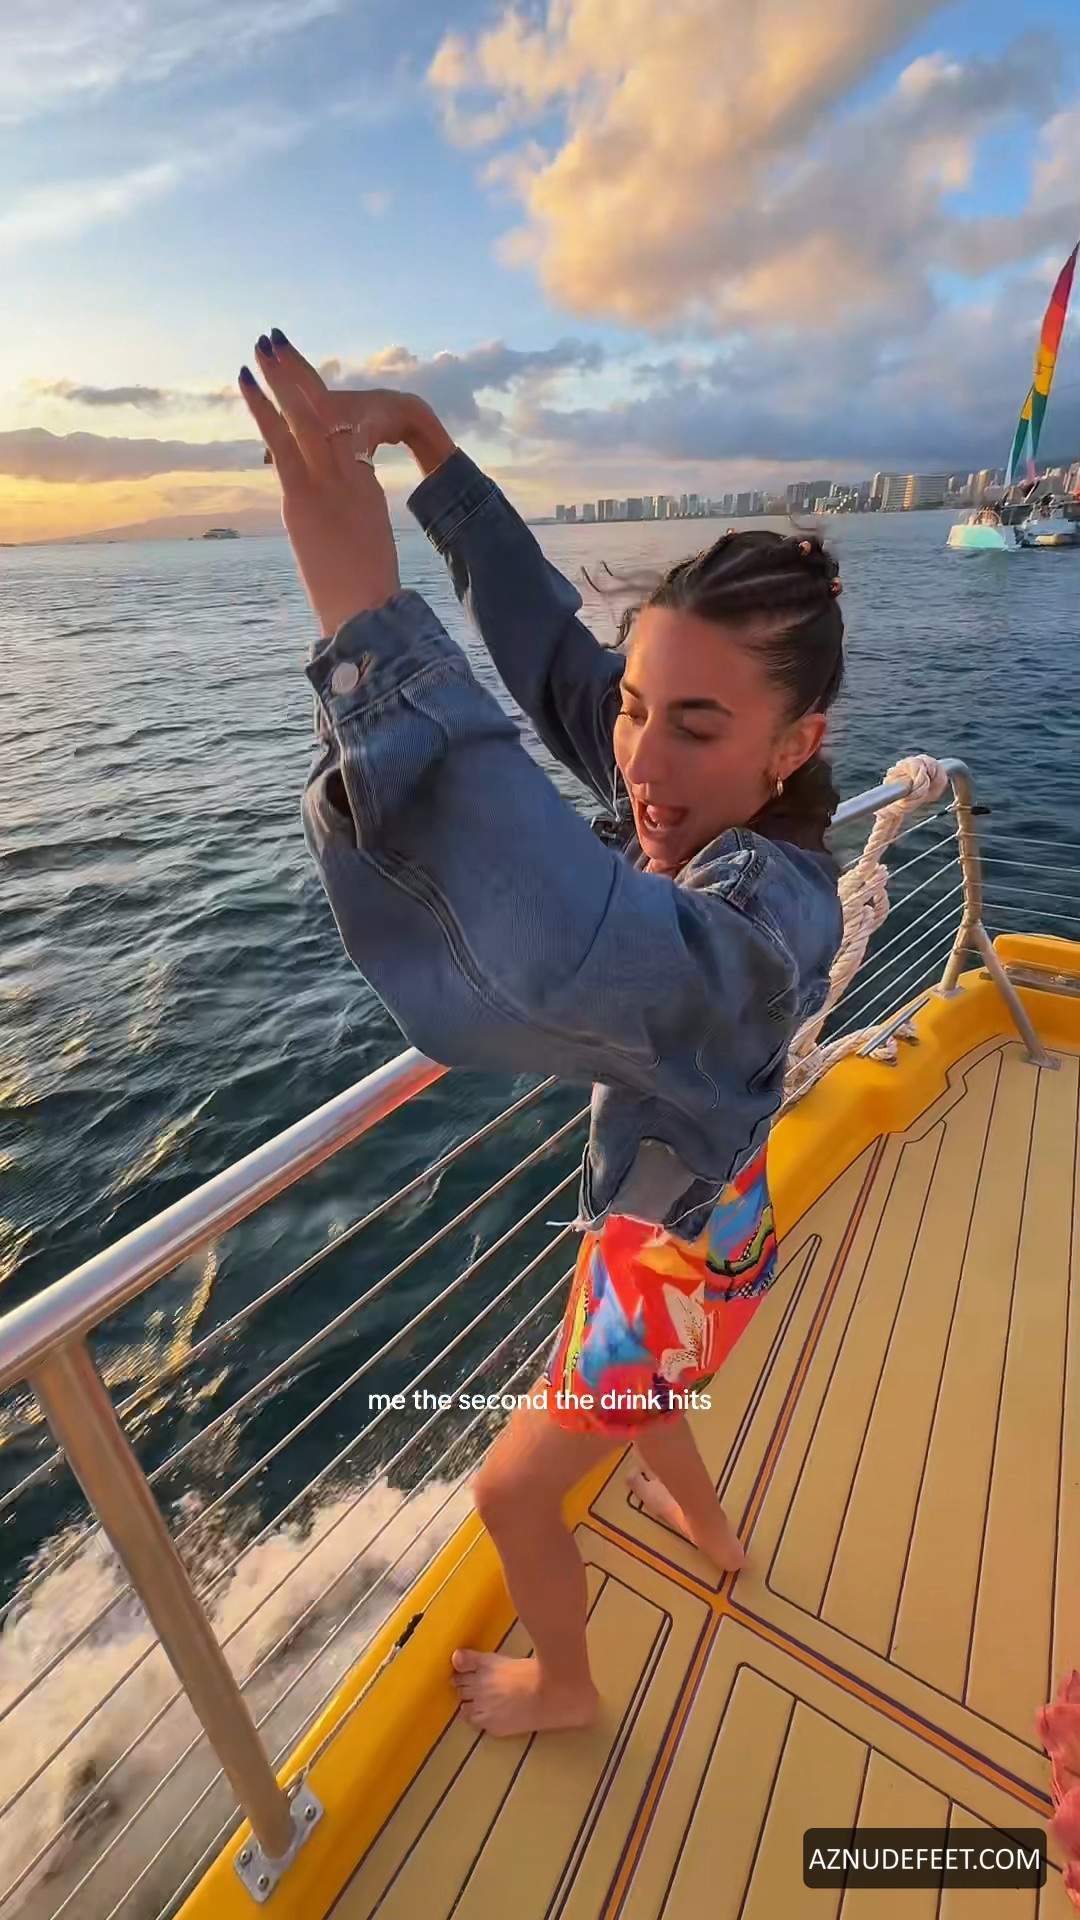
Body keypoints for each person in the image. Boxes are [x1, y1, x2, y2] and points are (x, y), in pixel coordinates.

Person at [238, 330, 845, 1739]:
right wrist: (431, 448)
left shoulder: (767, 917)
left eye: (695, 725)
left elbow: (577, 937)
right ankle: (716, 1534)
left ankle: (565, 1687)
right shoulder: (705, 799)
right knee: (644, 1393)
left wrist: (363, 618)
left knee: (512, 1490)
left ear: (795, 746)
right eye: (636, 708)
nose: (640, 760)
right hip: (705, 1235)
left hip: (671, 1261)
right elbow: (556, 661)